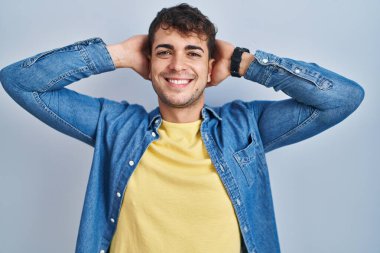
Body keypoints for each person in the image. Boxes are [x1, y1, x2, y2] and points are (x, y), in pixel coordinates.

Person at [0, 3, 364, 253]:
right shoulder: (114, 126)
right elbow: (20, 81)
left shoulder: (246, 127)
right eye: (164, 52)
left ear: (210, 68)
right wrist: (120, 54)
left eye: (193, 52)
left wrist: (245, 62)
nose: (177, 65)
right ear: (149, 62)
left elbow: (342, 98)